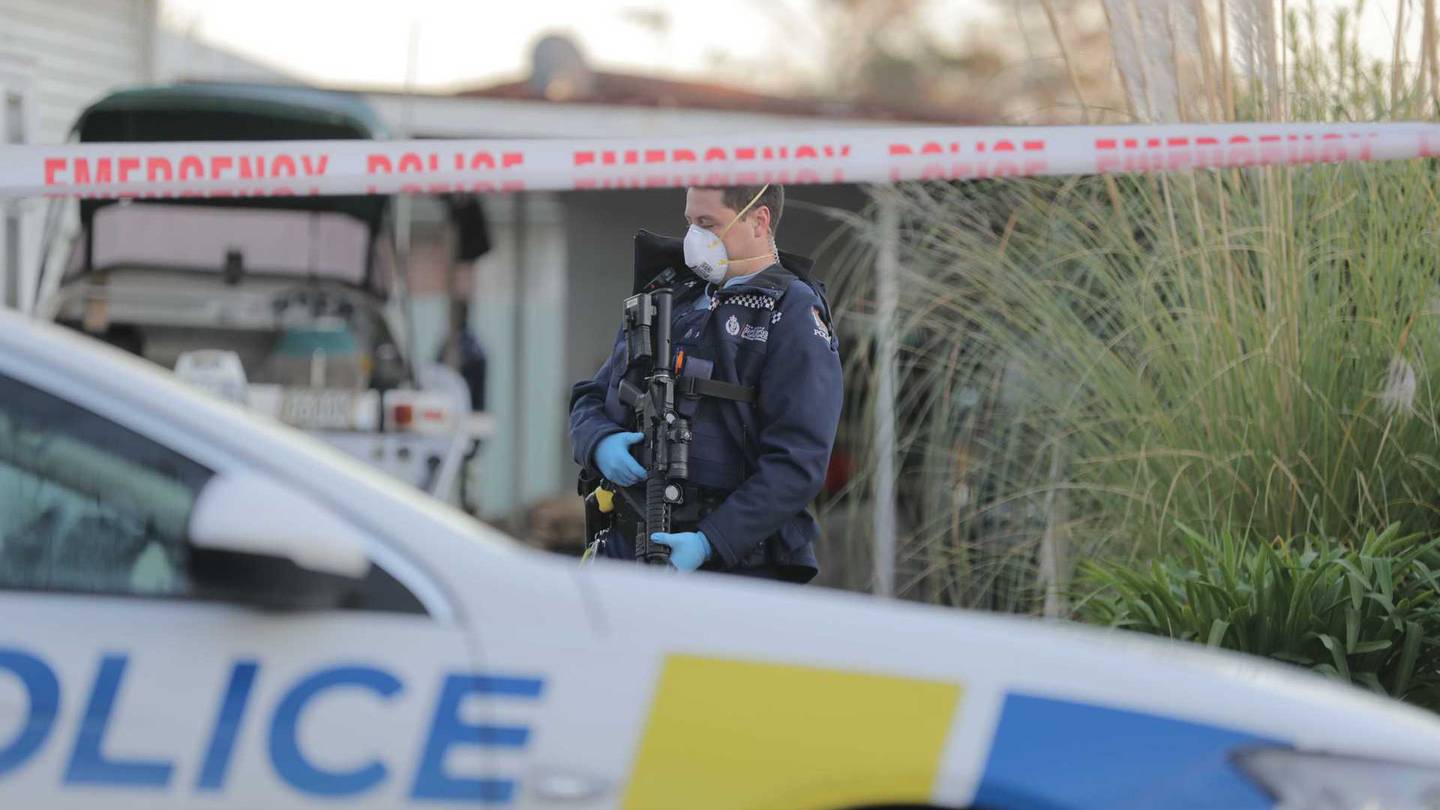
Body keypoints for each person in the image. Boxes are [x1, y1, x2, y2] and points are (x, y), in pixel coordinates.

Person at [568, 184, 843, 582]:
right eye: (691, 222)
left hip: (730, 567)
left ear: (759, 220)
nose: (695, 238)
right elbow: (590, 398)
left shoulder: (792, 311)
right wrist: (598, 442)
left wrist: (709, 541)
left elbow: (798, 463)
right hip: (626, 550)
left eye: (708, 223)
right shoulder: (670, 296)